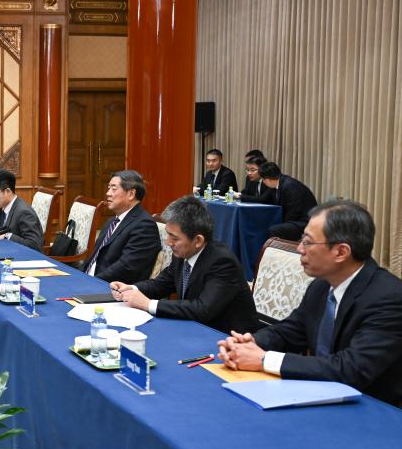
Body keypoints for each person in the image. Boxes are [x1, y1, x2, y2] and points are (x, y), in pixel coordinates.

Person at [218, 200, 402, 406]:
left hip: (373, 408)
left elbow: (351, 369)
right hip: (319, 395)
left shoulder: (389, 298)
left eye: (307, 242)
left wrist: (263, 360)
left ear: (341, 252)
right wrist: (250, 343)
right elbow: (290, 331)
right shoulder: (321, 285)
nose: (299, 249)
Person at [110, 196, 259, 334]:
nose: (168, 242)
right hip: (194, 328)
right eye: (168, 234)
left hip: (228, 337)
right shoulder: (183, 253)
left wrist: (148, 304)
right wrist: (132, 289)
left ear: (198, 240)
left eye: (174, 238)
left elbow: (203, 309)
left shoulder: (222, 262)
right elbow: (161, 284)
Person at [81, 170, 161, 284]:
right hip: (91, 280)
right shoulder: (111, 221)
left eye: (113, 189)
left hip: (112, 288)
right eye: (109, 188)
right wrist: (79, 277)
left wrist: (92, 282)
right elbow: (94, 257)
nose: (108, 193)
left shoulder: (144, 225)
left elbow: (127, 267)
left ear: (131, 194)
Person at [242, 161, 317, 241]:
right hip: (294, 219)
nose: (263, 182)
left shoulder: (290, 186)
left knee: (275, 229)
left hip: (305, 221)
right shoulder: (277, 184)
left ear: (267, 179)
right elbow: (264, 199)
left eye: (263, 179)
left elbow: (294, 213)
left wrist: (283, 226)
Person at [0, 168, 43, 251]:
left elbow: (35, 245)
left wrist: (6, 235)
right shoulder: (5, 207)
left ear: (8, 191)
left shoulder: (24, 212)